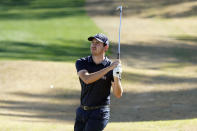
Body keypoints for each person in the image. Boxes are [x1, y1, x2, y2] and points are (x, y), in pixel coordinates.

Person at [74, 33, 123, 131]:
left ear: (106, 47)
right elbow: (87, 79)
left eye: (97, 43)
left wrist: (116, 76)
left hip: (100, 112)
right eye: (92, 42)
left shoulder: (112, 67)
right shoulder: (82, 62)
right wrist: (109, 68)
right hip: (82, 111)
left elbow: (118, 94)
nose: (93, 45)